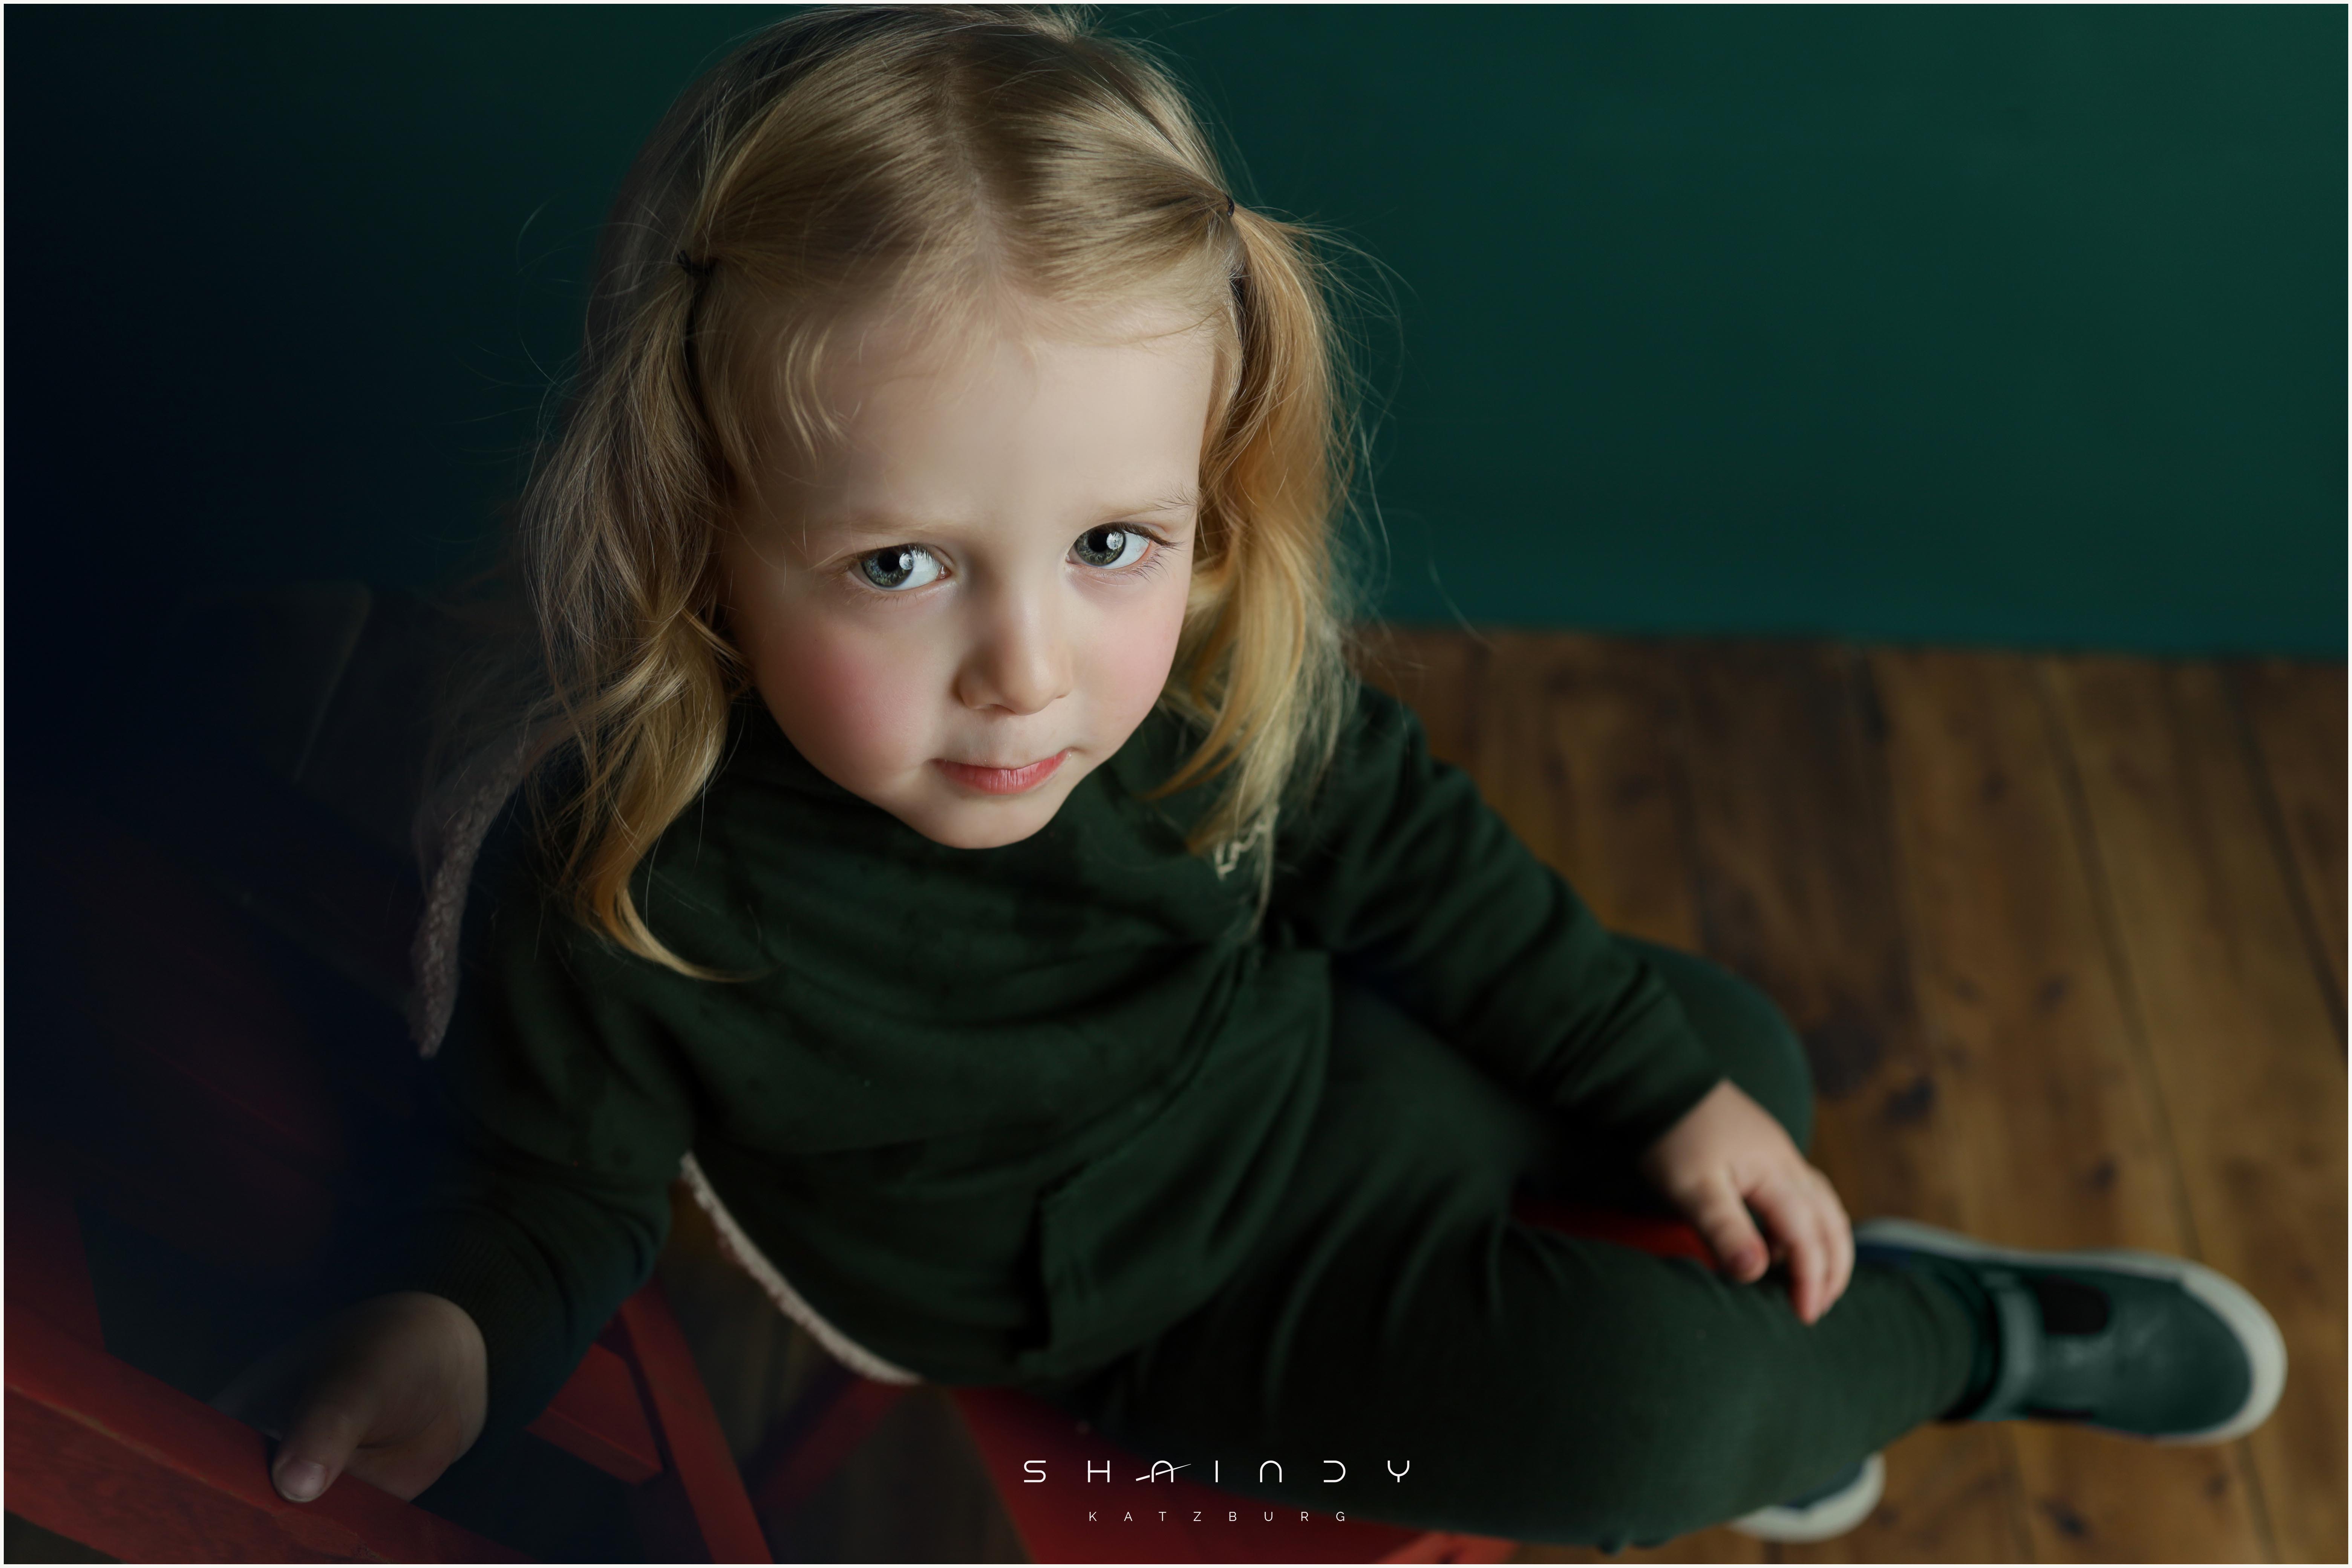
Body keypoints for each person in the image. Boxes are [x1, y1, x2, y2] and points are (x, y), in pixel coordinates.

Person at [213, 5, 2285, 1550]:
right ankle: (1949, 1336)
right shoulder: (625, 867)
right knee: (1635, 1427)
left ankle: (1774, 1368)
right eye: (901, 565)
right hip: (1148, 1325)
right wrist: (455, 1328)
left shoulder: (1190, 666)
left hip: (1312, 1072)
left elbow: (1408, 854)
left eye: (1113, 542)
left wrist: (1659, 1091)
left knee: (1720, 1050)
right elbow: (551, 1180)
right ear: (697, 533)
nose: (1031, 671)